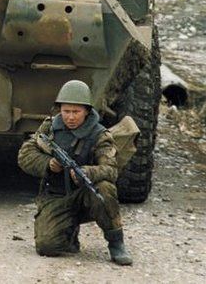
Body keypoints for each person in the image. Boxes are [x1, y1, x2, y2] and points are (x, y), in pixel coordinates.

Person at [17, 80, 133, 265]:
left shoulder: (99, 134)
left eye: (76, 112)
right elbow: (25, 155)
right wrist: (48, 164)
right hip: (57, 195)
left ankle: (116, 243)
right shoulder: (50, 128)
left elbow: (111, 170)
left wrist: (86, 172)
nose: (70, 117)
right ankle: (69, 234)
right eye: (66, 111)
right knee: (47, 247)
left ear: (86, 111)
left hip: (86, 194)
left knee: (103, 189)